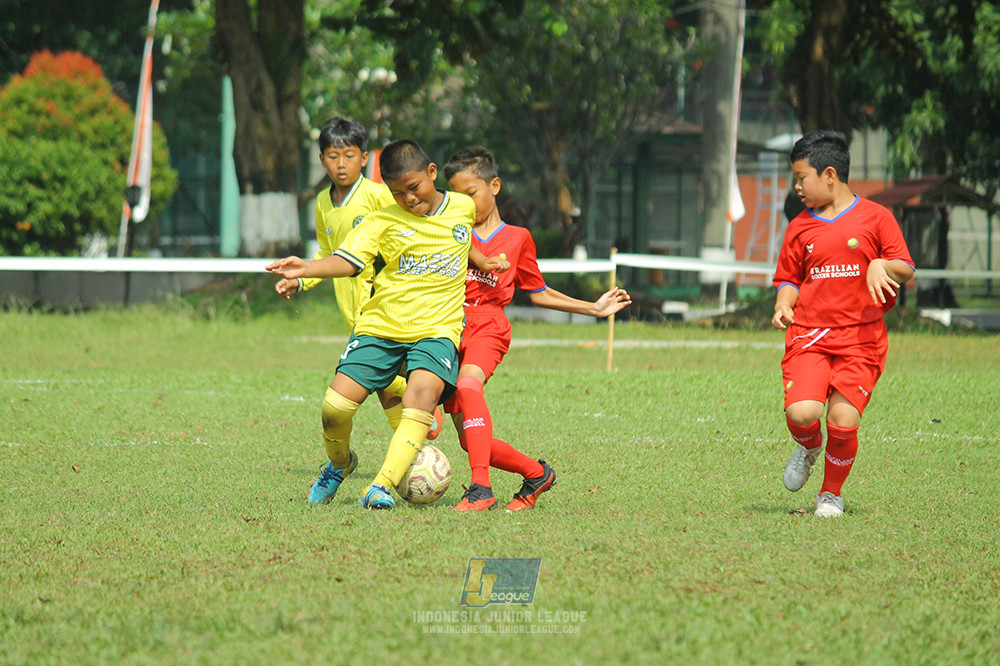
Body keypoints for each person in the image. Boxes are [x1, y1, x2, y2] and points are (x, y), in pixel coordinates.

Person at [267, 139, 502, 510]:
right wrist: (308, 268)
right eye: (397, 193)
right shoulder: (381, 220)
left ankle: (380, 486)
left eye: (414, 188)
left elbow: (460, 236)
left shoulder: (462, 206)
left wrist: (482, 261)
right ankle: (340, 464)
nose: (408, 199)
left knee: (420, 396)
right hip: (381, 326)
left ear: (432, 173)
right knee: (335, 409)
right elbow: (348, 260)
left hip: (437, 330)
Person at [442, 146, 632, 512]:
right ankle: (537, 473)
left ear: (494, 186)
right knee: (470, 440)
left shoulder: (518, 238)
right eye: (457, 197)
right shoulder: (449, 232)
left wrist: (592, 308)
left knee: (468, 385)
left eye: (471, 193)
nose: (465, 204)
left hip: (488, 326)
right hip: (447, 326)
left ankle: (481, 489)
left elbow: (538, 292)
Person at [272, 118, 439, 503]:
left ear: (364, 158)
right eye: (333, 157)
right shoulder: (322, 203)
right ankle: (409, 444)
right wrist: (302, 280)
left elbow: (411, 228)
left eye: (349, 156)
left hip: (387, 310)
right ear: (322, 160)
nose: (341, 164)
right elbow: (327, 253)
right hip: (357, 316)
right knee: (381, 390)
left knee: (382, 387)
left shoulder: (380, 195)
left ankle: (411, 436)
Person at [771, 130, 914, 518]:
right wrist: (784, 304)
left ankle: (830, 495)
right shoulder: (799, 227)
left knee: (843, 420)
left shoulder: (876, 217)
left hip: (862, 338)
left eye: (802, 178)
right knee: (802, 413)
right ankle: (809, 446)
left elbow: (905, 267)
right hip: (810, 334)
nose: (797, 187)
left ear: (829, 175)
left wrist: (881, 264)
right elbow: (788, 278)